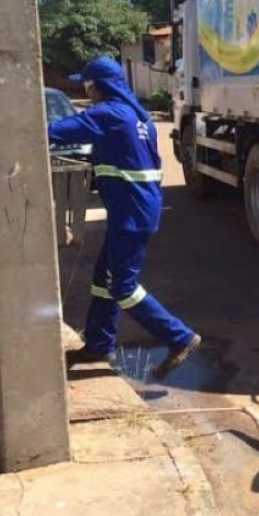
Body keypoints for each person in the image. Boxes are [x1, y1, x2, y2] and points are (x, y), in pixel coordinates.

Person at [49, 55, 200, 380]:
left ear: (97, 85)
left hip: (131, 213)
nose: (86, 92)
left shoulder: (108, 113)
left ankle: (179, 337)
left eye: (87, 85)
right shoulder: (138, 115)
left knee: (123, 286)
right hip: (137, 208)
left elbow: (56, 131)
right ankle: (98, 343)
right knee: (103, 278)